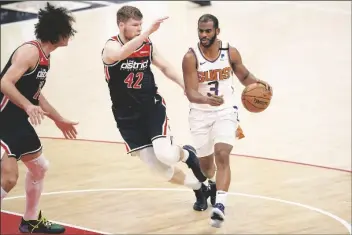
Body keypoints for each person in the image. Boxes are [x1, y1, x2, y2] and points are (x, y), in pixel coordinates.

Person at [101, 6, 210, 211]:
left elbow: (165, 66)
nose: (139, 29)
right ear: (121, 25)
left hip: (150, 107)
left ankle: (188, 155)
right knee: (157, 168)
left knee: (167, 155)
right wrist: (147, 32)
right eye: (135, 25)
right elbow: (123, 53)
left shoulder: (146, 43)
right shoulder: (110, 47)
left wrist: (185, 87)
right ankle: (198, 187)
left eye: (141, 25)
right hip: (126, 116)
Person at [182, 14, 272, 228]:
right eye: (200, 31)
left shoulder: (230, 52)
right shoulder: (190, 57)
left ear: (217, 31)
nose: (203, 35)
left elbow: (244, 76)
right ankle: (208, 181)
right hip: (200, 113)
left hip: (225, 111)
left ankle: (219, 207)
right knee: (207, 167)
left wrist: (261, 85)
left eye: (208, 31)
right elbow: (191, 92)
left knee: (223, 154)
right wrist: (206, 99)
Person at [0, 3, 78, 233]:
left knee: (39, 168)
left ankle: (30, 221)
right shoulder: (30, 51)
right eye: (68, 31)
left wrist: (58, 119)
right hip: (3, 119)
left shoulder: (45, 57)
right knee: (8, 179)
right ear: (58, 33)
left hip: (16, 121)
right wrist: (26, 106)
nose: (70, 36)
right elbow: (4, 82)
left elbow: (36, 94)